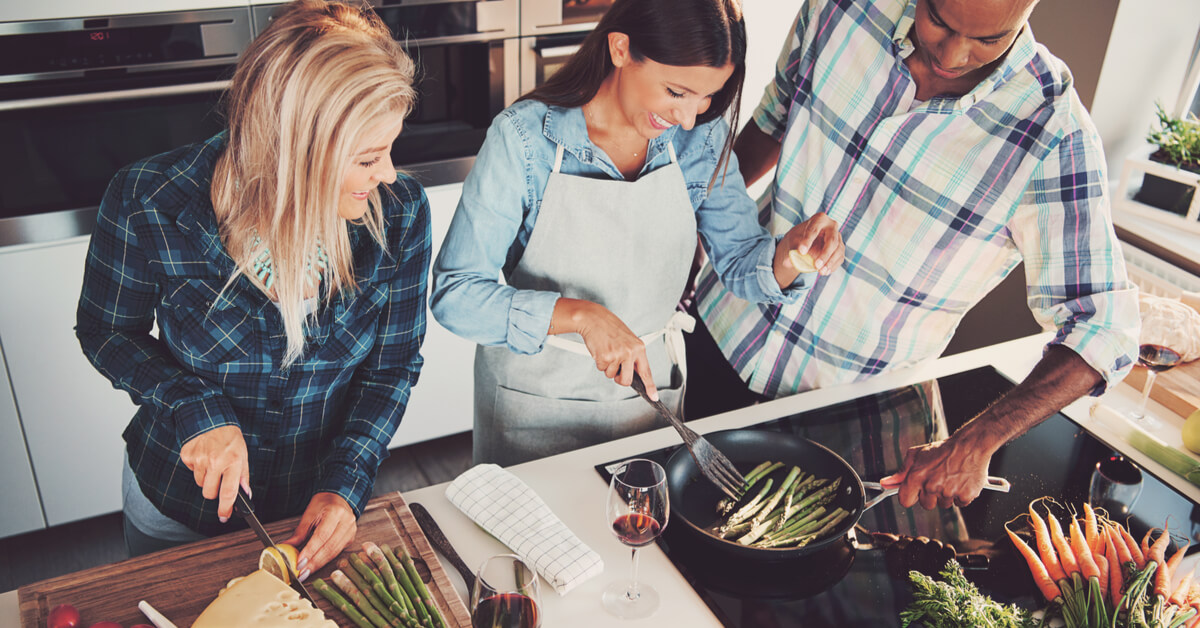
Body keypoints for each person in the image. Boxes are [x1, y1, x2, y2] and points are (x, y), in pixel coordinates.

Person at [687, 0, 1140, 509]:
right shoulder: (843, 10)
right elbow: (772, 121)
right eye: (940, 21)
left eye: (989, 39)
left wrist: (979, 439)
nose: (953, 53)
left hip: (855, 422)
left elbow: (1103, 328)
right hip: (719, 333)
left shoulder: (1055, 134)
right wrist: (683, 234)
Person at [75, 0, 428, 579]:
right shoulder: (150, 199)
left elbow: (391, 367)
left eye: (389, 150)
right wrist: (194, 406)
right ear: (296, 154)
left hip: (309, 511)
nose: (389, 174)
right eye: (368, 157)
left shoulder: (400, 215)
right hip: (176, 509)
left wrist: (348, 481)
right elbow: (107, 330)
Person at [431, 0, 845, 466]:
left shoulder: (701, 138)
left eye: (707, 98)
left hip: (648, 407)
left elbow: (741, 261)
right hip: (532, 410)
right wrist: (580, 315)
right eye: (676, 92)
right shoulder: (524, 140)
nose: (689, 117)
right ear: (621, 48)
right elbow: (456, 295)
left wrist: (792, 255)